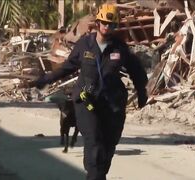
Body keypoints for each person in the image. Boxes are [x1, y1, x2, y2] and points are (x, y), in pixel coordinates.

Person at [22, 3, 148, 180]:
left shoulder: (119, 48)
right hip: (86, 101)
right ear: (98, 22)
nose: (107, 27)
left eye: (112, 25)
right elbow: (67, 67)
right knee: (94, 142)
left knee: (108, 146)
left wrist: (142, 91)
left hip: (112, 104)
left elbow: (136, 70)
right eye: (104, 23)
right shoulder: (85, 45)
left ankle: (97, 175)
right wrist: (46, 79)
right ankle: (94, 175)